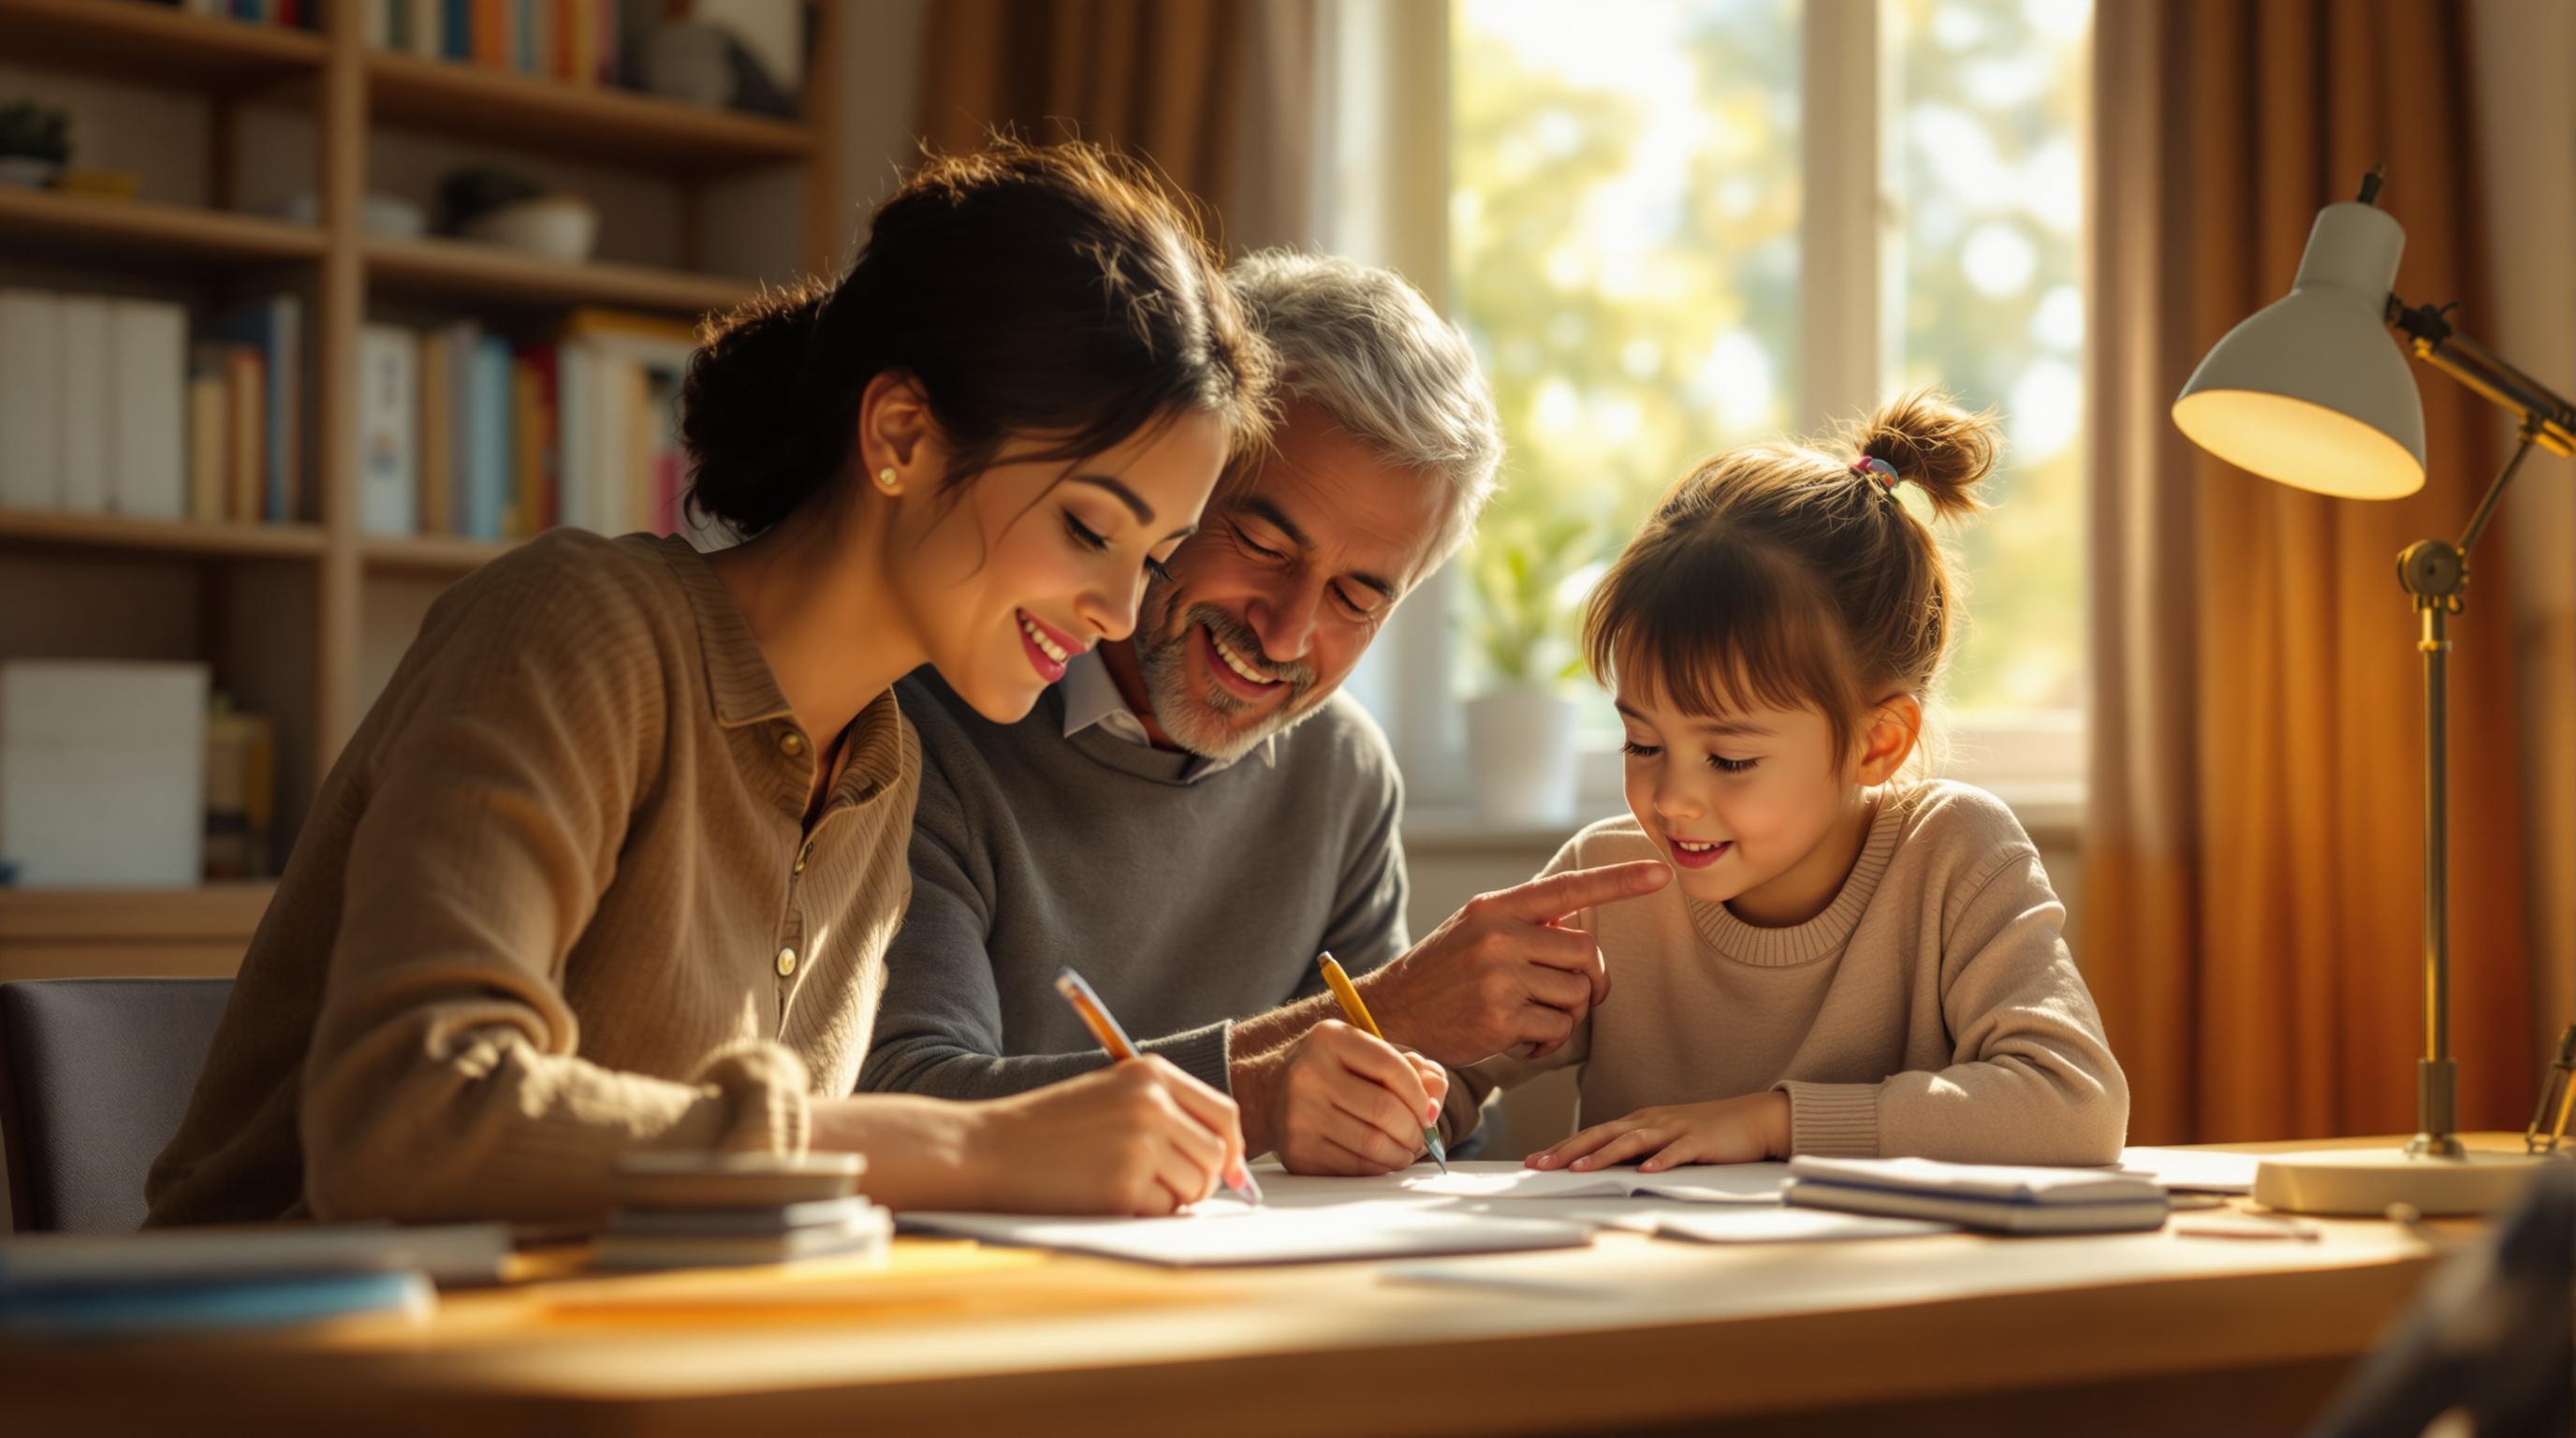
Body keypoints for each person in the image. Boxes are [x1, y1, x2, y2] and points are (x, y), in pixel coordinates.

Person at [145, 140, 1274, 1226]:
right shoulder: (577, 628)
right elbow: (409, 1119)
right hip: (286, 1336)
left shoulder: (880, 769)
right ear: (900, 435)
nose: (1119, 613)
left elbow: (735, 1200)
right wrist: (971, 1149)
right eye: (1089, 529)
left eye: (1154, 560)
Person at [863, 251, 1669, 1175]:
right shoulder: (922, 723)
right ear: (1176, 487)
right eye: (1260, 543)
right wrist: (1318, 1057)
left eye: (1356, 597)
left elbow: (1413, 1131)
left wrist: (1419, 1094)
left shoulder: (1342, 771)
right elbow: (898, 1100)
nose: (1285, 633)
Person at [1448, 392, 2128, 1170]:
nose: (1670, 799)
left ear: (1877, 743)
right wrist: (1401, 1096)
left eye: (1730, 759)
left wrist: (1772, 1124)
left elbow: (2074, 1104)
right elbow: (1444, 1075)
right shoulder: (1603, 885)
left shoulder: (1955, 857)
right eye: (1642, 743)